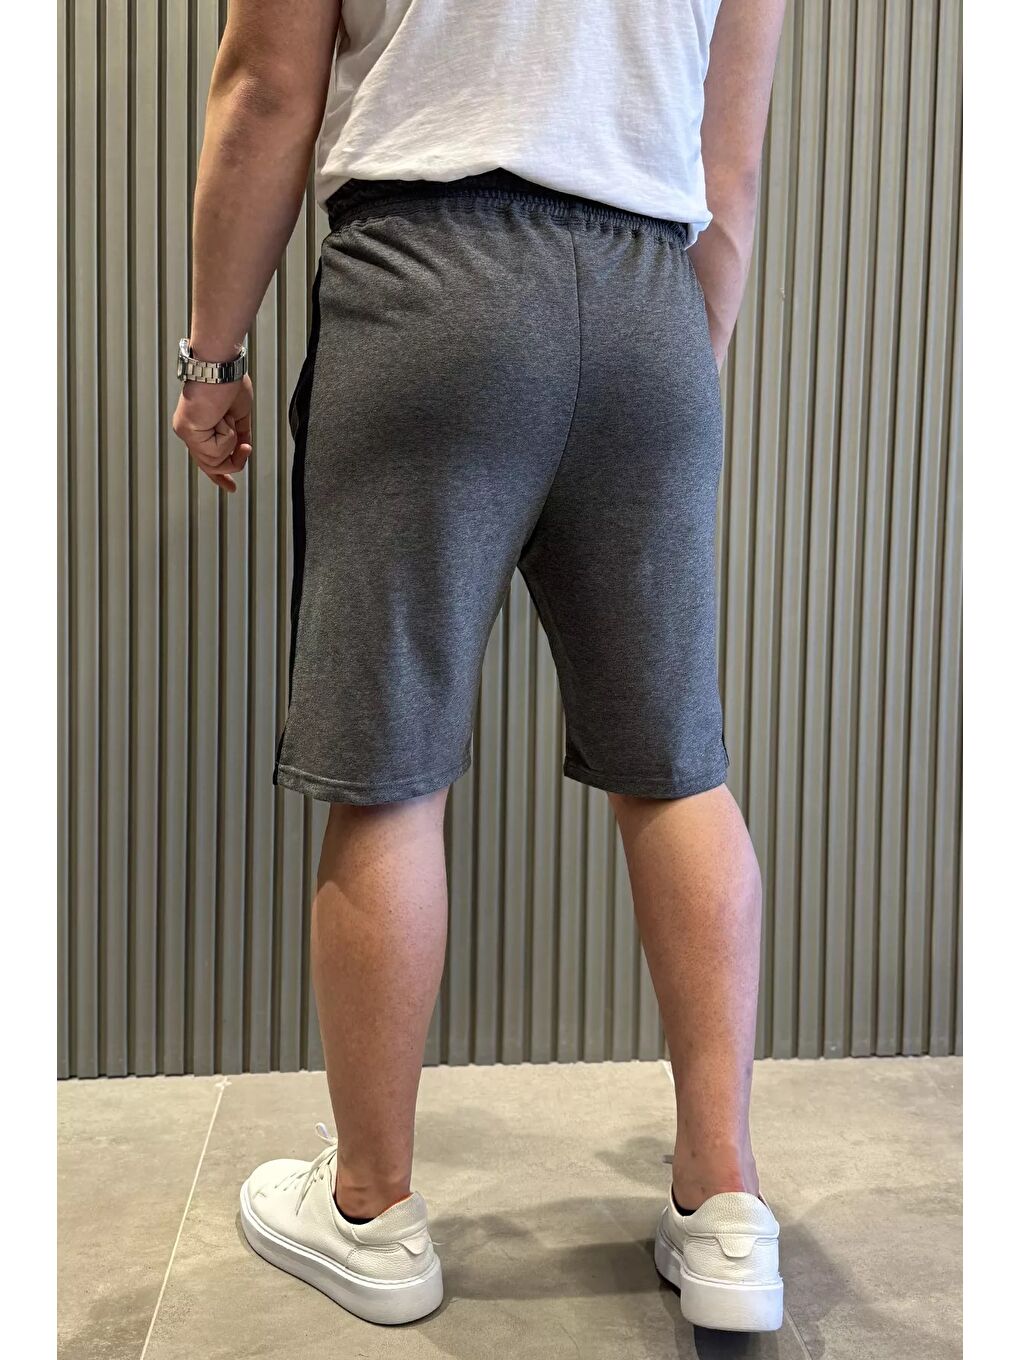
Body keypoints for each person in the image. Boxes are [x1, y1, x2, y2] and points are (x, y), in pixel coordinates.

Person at [172, 0, 788, 1334]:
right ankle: (726, 1205)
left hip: (427, 282)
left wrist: (211, 356)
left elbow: (267, 90)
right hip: (651, 297)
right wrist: (663, 373)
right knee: (676, 767)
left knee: (391, 767)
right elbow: (726, 170)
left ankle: (372, 1213)